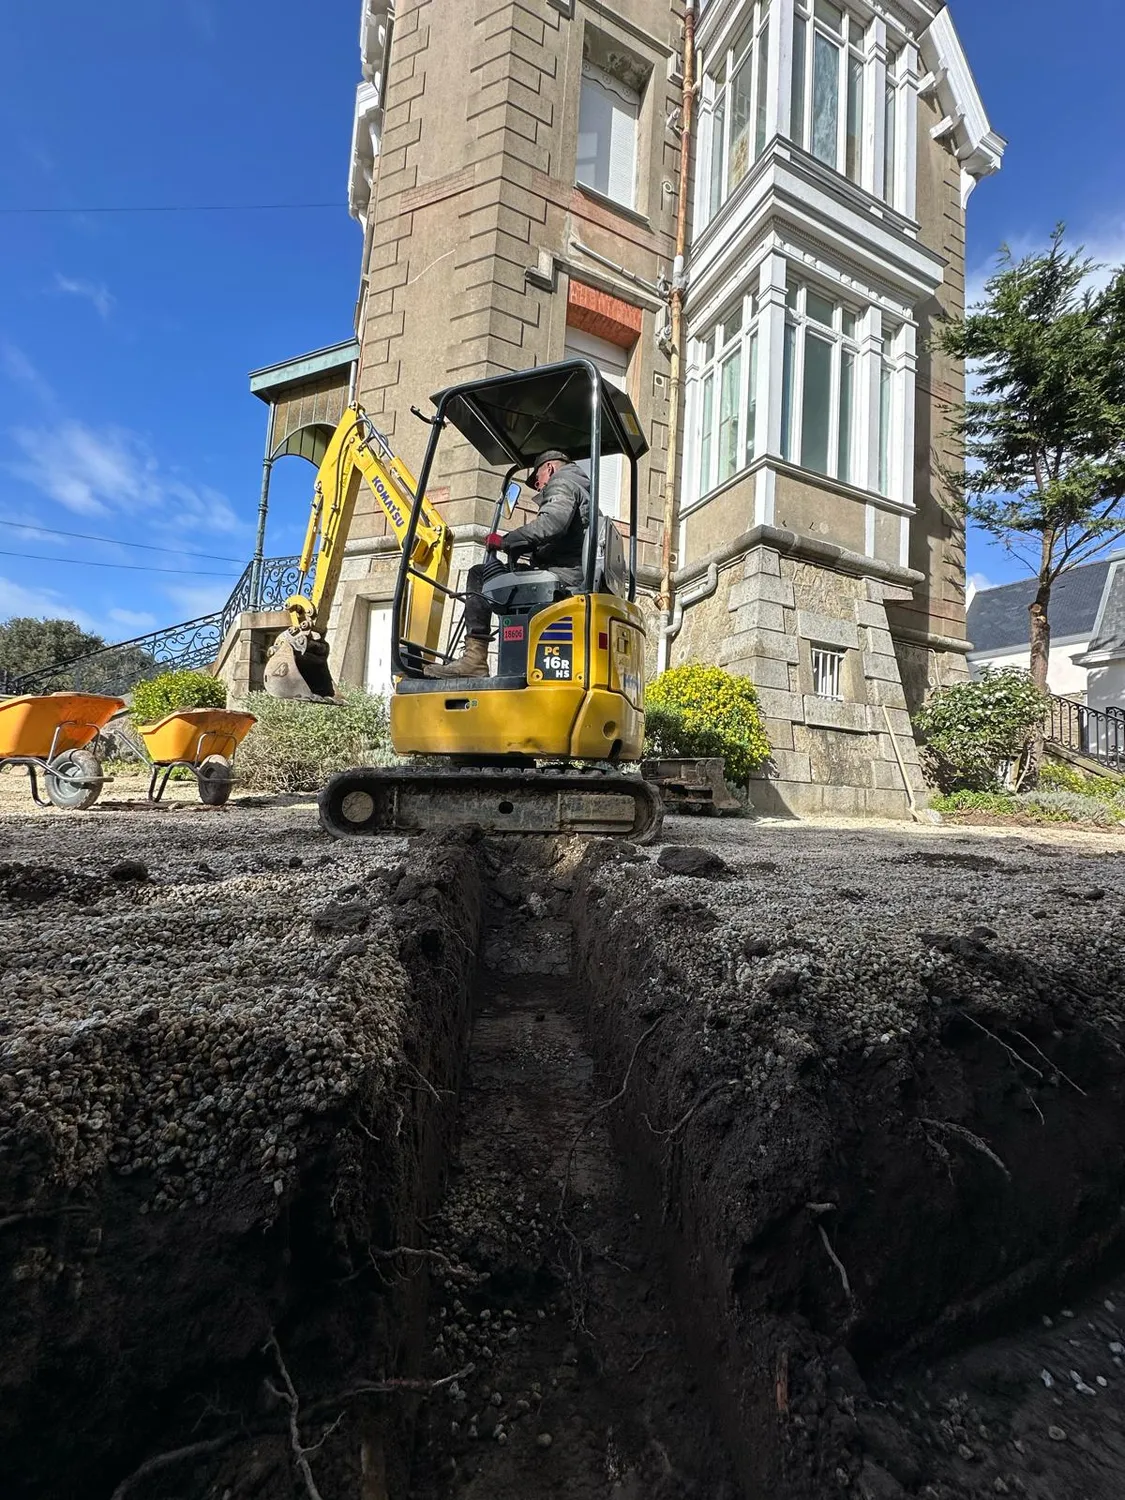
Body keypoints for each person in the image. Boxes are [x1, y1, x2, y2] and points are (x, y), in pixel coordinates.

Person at [425, 448, 591, 678]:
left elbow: (552, 523)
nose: (539, 486)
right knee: (501, 575)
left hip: (562, 578)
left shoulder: (561, 483)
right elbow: (560, 536)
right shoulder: (582, 488)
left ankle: (474, 660)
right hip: (571, 572)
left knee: (479, 574)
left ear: (549, 469)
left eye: (537, 480)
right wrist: (524, 545)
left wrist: (506, 541)